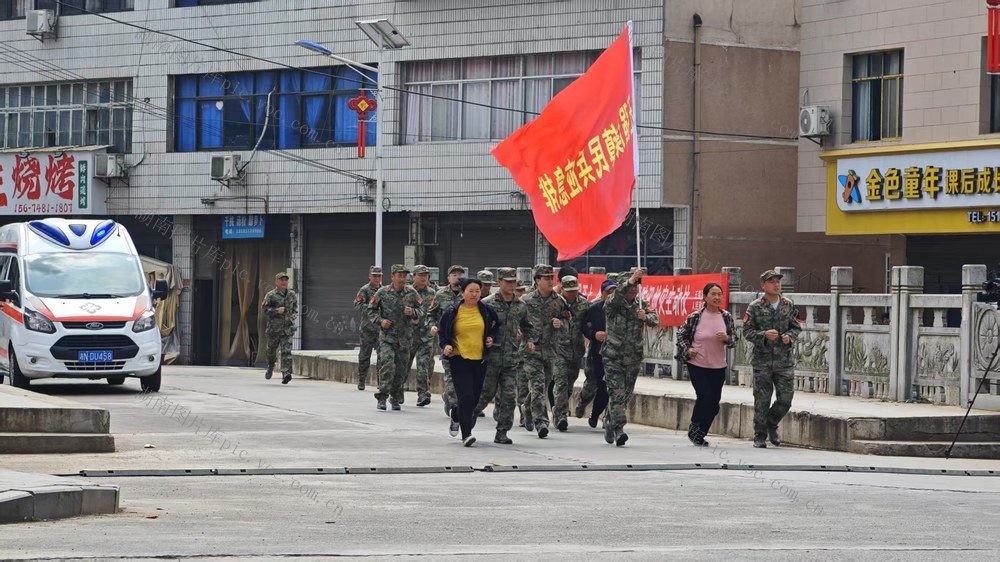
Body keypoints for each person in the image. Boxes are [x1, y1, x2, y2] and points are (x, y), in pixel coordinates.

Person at [743, 269, 802, 448]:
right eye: (772, 282)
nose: (776, 284)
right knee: (762, 400)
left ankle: (771, 423)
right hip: (762, 361)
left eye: (778, 281)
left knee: (785, 399)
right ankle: (760, 435)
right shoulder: (755, 306)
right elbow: (747, 331)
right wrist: (763, 335)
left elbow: (796, 327)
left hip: (784, 361)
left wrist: (789, 336)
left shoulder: (788, 304)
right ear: (763, 285)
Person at [438, 278, 500, 447]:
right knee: (465, 397)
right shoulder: (452, 311)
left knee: (474, 398)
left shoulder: (486, 310)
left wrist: (491, 337)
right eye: (470, 291)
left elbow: (496, 326)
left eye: (477, 291)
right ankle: (467, 434)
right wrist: (445, 345)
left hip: (480, 359)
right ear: (462, 293)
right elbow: (442, 332)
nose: (474, 294)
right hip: (459, 358)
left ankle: (456, 414)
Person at [675, 282, 738, 446]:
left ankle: (700, 432)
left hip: (718, 366)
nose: (717, 297)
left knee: (714, 404)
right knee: (704, 396)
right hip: (698, 364)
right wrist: (688, 349)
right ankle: (695, 428)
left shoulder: (726, 317)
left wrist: (726, 338)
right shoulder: (695, 317)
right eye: (713, 294)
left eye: (719, 294)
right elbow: (681, 335)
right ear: (705, 297)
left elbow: (734, 340)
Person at [602, 269, 659, 446]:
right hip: (613, 357)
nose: (634, 289)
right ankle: (619, 429)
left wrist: (646, 317)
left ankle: (610, 418)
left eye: (636, 286)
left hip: (633, 357)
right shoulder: (613, 304)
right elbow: (615, 297)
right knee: (617, 392)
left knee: (626, 394)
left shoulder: (641, 304)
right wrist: (630, 280)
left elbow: (655, 319)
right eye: (631, 286)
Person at [476, 267, 529, 444]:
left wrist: (530, 340)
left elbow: (528, 326)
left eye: (514, 282)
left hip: (511, 359)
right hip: (491, 358)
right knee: (484, 394)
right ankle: (466, 421)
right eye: (508, 282)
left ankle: (502, 432)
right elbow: (477, 327)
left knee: (509, 397)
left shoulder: (520, 305)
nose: (512, 285)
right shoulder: (487, 304)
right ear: (499, 283)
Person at [367, 264, 424, 411]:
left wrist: (412, 312)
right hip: (387, 337)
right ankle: (382, 397)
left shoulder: (411, 293)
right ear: (392, 277)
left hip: (405, 339)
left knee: (401, 370)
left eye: (404, 276)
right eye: (399, 276)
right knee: (387, 365)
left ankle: (395, 396)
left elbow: (422, 310)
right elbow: (371, 310)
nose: (402, 279)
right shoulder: (382, 292)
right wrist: (380, 321)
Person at [520, 264, 566, 438]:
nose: (550, 281)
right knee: (538, 384)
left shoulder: (559, 301)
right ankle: (541, 421)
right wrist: (524, 338)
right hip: (531, 350)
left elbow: (569, 322)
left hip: (550, 350)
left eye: (551, 278)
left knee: (543, 385)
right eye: (546, 278)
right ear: (537, 280)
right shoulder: (526, 300)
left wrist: (561, 324)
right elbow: (517, 322)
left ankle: (527, 407)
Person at [577, 278, 617, 427]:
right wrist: (594, 334)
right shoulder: (594, 309)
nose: (612, 295)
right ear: (603, 293)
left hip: (617, 355)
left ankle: (608, 417)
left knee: (614, 387)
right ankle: (593, 413)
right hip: (599, 354)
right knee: (601, 385)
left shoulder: (622, 309)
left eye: (615, 292)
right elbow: (585, 327)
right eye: (609, 292)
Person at [552, 275, 589, 432]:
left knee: (569, 384)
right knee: (561, 383)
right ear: (562, 289)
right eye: (569, 291)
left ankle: (557, 408)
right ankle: (561, 415)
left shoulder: (583, 303)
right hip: (558, 349)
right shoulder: (555, 303)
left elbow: (588, 322)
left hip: (576, 350)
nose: (572, 294)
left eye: (575, 290)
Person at [428, 265, 466, 416]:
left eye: (460, 274)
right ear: (448, 278)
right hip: (447, 341)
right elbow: (431, 314)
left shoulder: (469, 293)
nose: (457, 277)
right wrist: (432, 326)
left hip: (467, 341)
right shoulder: (440, 295)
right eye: (454, 274)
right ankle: (454, 405)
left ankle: (455, 399)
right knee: (451, 374)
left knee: (465, 375)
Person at [408, 265, 437, 407]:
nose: (423, 277)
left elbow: (436, 311)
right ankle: (396, 391)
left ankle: (423, 393)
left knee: (423, 364)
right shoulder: (407, 292)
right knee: (404, 365)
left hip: (426, 335)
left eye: (425, 275)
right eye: (420, 275)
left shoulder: (433, 293)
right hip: (408, 335)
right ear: (414, 276)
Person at [262, 272, 298, 385]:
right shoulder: (270, 295)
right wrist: (276, 311)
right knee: (271, 350)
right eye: (281, 280)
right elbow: (264, 310)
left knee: (286, 351)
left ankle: (286, 373)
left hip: (287, 329)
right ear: (276, 282)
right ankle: (270, 365)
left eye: (285, 280)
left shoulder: (291, 294)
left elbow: (295, 307)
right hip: (274, 329)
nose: (284, 282)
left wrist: (294, 313)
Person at [354, 266, 383, 391]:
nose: (377, 278)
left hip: (381, 329)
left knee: (383, 356)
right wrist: (372, 308)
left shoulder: (384, 290)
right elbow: (357, 305)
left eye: (379, 276)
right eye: (374, 276)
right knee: (365, 356)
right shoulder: (364, 290)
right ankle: (361, 380)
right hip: (367, 328)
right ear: (369, 276)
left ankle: (381, 382)